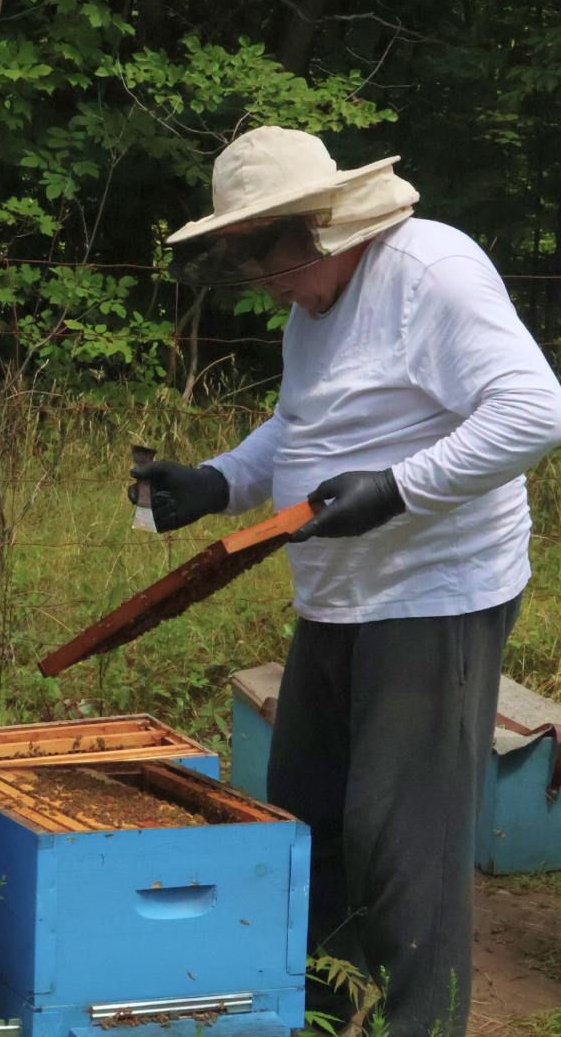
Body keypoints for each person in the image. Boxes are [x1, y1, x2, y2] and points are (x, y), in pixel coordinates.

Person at [130, 126, 561, 1037]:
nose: (260, 277)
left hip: (435, 595)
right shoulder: (311, 307)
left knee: (404, 842)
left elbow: (534, 409)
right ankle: (320, 1015)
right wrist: (218, 480)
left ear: (321, 224)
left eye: (265, 252)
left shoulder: (432, 272)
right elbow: (308, 427)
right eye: (241, 255)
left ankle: (425, 1023)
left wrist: (400, 490)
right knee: (311, 821)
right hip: (337, 597)